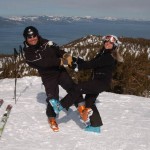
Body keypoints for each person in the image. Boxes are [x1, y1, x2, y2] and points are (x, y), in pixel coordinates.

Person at [49, 35, 123, 133]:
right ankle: (95, 126)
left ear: (114, 46)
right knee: (89, 102)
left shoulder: (108, 57)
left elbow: (92, 65)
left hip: (99, 83)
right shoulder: (103, 54)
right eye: (106, 42)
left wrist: (78, 67)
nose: (107, 44)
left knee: (77, 88)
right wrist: (75, 60)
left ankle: (60, 106)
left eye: (110, 43)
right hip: (99, 82)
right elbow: (90, 62)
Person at [23, 26, 84, 132]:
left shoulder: (46, 43)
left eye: (34, 36)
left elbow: (57, 50)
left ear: (37, 35)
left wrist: (65, 55)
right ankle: (51, 118)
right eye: (29, 37)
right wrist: (61, 61)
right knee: (53, 99)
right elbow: (43, 63)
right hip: (48, 76)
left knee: (72, 87)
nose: (32, 38)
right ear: (26, 39)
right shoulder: (28, 53)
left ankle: (82, 107)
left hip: (60, 71)